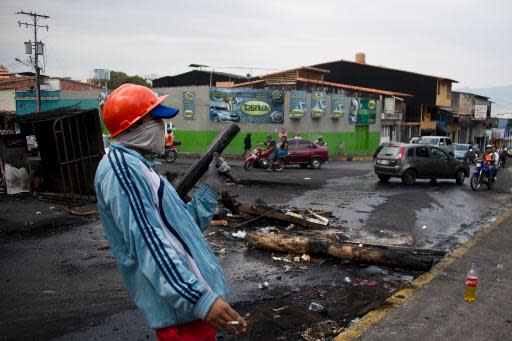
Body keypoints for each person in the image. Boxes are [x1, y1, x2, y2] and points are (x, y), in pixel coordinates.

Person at [95, 84, 247, 341]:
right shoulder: (122, 170)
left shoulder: (144, 169)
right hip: (183, 315)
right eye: (156, 119)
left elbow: (184, 229)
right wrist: (200, 299)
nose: (162, 126)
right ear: (132, 126)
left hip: (190, 311)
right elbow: (149, 243)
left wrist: (209, 187)